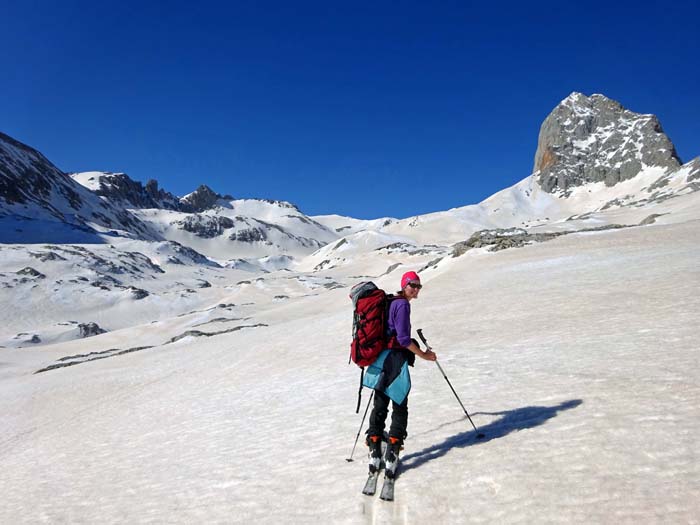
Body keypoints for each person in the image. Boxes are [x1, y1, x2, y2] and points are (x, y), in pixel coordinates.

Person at [365, 270, 437, 476]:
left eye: (418, 286)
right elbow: (404, 340)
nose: (415, 289)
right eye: (412, 285)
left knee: (380, 403)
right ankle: (392, 454)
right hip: (395, 359)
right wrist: (424, 355)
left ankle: (375, 450)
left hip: (381, 357)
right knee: (399, 404)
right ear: (404, 285)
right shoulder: (403, 305)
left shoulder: (391, 301)